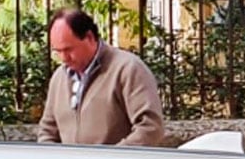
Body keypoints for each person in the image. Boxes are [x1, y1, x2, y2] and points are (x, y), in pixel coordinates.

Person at [37, 8, 165, 146]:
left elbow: (150, 128)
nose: (63, 58)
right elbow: (47, 131)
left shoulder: (128, 69)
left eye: (68, 49)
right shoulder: (59, 78)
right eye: (57, 51)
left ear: (90, 38)